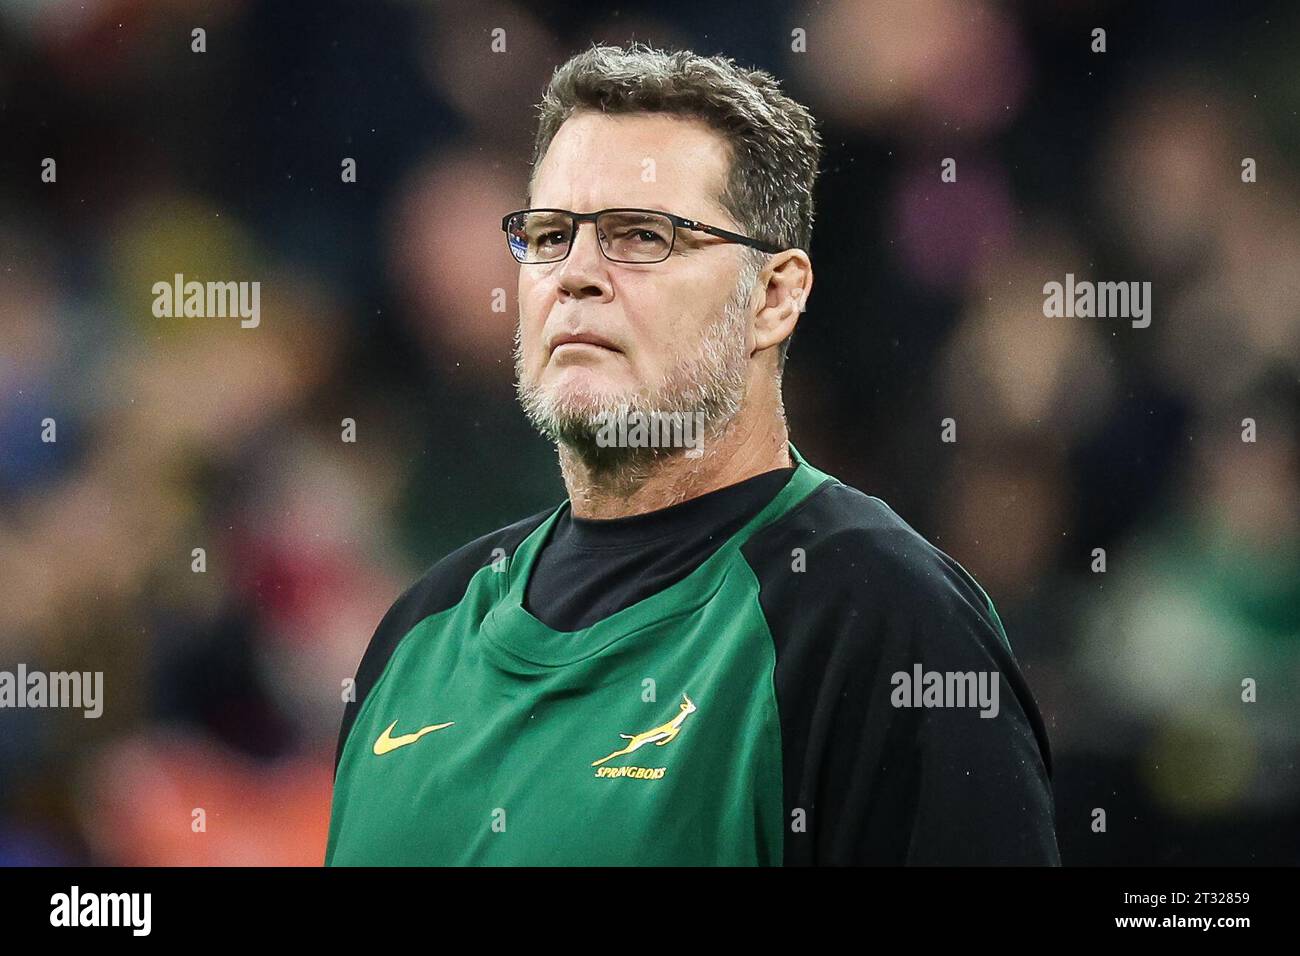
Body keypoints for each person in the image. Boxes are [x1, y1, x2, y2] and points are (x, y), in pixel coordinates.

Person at [326, 42, 1059, 866]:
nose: (576, 275)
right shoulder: (418, 632)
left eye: (641, 236)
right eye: (550, 233)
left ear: (774, 297)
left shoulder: (877, 617)